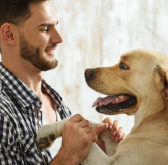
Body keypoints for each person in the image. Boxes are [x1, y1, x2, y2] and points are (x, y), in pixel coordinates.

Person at [0, 0, 125, 164]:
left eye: (56, 26)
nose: (59, 38)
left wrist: (100, 152)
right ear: (9, 34)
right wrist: (69, 156)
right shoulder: (3, 113)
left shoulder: (56, 101)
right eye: (45, 29)